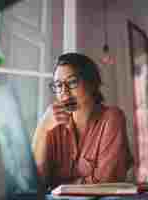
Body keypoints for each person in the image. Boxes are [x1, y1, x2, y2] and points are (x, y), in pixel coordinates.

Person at [32, 53, 132, 190]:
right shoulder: (52, 126)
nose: (64, 92)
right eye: (58, 85)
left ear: (92, 84)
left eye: (72, 82)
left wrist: (58, 186)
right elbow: (37, 182)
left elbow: (106, 183)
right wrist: (43, 128)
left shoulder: (112, 118)